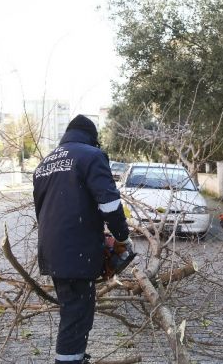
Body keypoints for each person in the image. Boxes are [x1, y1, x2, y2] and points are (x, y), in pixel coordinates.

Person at [33, 114, 132, 364]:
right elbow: (109, 204)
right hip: (77, 252)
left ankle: (75, 357)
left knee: (73, 313)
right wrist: (121, 237)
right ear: (92, 137)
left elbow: (40, 210)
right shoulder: (91, 156)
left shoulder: (45, 163)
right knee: (76, 316)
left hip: (53, 250)